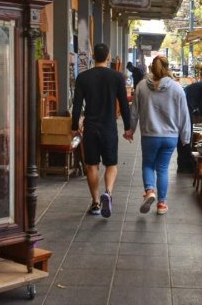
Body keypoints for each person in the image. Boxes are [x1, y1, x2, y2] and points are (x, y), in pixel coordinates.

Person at [124, 56, 190, 215]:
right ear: (168, 68)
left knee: (148, 165)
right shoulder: (177, 88)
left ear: (151, 68)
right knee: (163, 168)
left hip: (150, 135)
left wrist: (130, 130)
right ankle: (161, 204)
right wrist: (185, 136)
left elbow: (134, 112)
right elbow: (184, 114)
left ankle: (149, 191)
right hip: (170, 137)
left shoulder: (141, 86)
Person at [71, 43, 130, 218]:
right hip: (108, 126)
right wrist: (128, 127)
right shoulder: (117, 77)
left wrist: (74, 127)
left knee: (91, 165)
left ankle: (96, 202)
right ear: (108, 56)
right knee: (111, 164)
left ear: (92, 56)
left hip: (90, 127)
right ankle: (108, 193)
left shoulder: (83, 77)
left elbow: (76, 105)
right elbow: (124, 104)